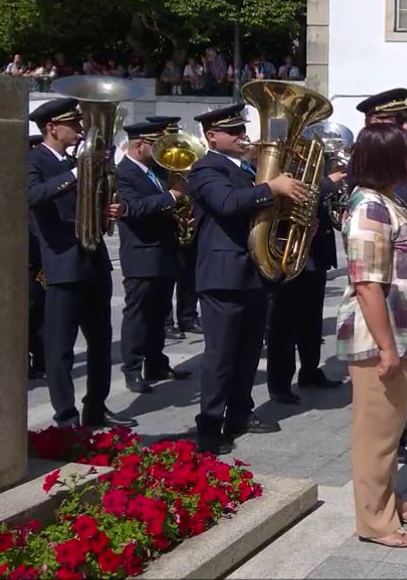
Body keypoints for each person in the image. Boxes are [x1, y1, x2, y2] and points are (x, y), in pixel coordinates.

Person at [336, 123, 407, 549]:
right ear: (388, 159)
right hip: (382, 337)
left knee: (390, 430)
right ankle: (374, 522)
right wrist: (386, 348)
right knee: (376, 437)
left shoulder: (389, 199)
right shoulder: (369, 207)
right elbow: (367, 284)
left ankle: (388, 500)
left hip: (405, 332)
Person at [189, 103, 307, 454]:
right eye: (233, 131)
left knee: (248, 353)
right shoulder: (205, 168)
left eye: (242, 129)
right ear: (212, 136)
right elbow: (227, 203)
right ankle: (209, 427)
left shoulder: (248, 169)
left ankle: (240, 413)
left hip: (255, 271)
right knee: (220, 356)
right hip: (223, 275)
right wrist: (272, 187)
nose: (243, 136)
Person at [27, 98, 135, 429]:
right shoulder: (34, 159)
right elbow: (32, 196)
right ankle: (66, 416)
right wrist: (78, 172)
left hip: (94, 259)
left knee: (101, 343)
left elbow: (99, 194)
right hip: (62, 263)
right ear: (52, 128)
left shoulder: (79, 160)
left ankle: (96, 407)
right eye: (73, 124)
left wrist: (113, 207)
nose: (80, 129)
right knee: (60, 348)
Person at [115, 120, 191, 394]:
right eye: (156, 145)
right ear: (139, 145)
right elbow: (134, 208)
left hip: (165, 251)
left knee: (160, 312)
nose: (163, 150)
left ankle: (156, 362)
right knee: (138, 314)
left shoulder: (158, 171)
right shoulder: (123, 173)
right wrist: (172, 196)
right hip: (141, 254)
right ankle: (132, 369)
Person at [265, 149, 347, 404]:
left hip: (314, 255)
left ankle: (310, 371)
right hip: (288, 254)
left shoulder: (313, 171)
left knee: (312, 322)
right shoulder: (278, 169)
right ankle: (279, 383)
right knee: (284, 324)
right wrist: (327, 184)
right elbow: (291, 197)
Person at [145, 116, 197, 340]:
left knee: (188, 273)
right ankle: (166, 322)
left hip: (183, 223)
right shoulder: (154, 167)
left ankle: (188, 315)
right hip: (163, 226)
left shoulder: (180, 158)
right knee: (166, 278)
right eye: (168, 136)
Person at [27, 135, 47, 380]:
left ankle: (42, 359)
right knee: (30, 310)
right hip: (29, 254)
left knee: (42, 310)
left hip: (41, 252)